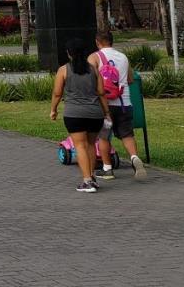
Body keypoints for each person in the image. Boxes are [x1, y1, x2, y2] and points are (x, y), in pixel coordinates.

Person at [50, 39, 112, 193]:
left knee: (80, 146)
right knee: (91, 145)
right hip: (94, 114)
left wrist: (53, 110)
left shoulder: (63, 70)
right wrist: (106, 113)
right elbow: (101, 93)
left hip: (74, 114)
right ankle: (92, 177)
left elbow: (57, 93)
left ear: (69, 53)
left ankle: (87, 181)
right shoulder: (93, 70)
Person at [94, 31, 147, 180]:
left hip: (106, 105)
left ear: (98, 42)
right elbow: (130, 79)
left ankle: (107, 169)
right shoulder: (123, 57)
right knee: (127, 135)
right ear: (112, 42)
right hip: (124, 103)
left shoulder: (95, 57)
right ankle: (134, 158)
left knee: (104, 137)